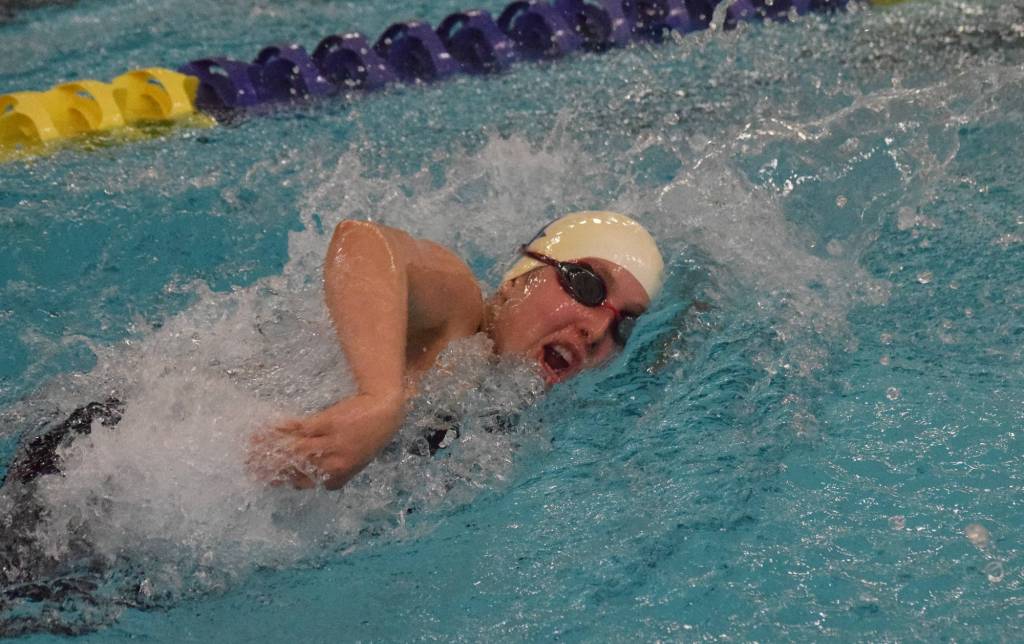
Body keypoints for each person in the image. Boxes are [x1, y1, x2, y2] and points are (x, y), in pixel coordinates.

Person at [250, 210, 664, 490]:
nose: (596, 329)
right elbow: (363, 243)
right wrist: (378, 398)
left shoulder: (514, 422)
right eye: (587, 287)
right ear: (519, 280)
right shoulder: (457, 320)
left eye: (623, 324)